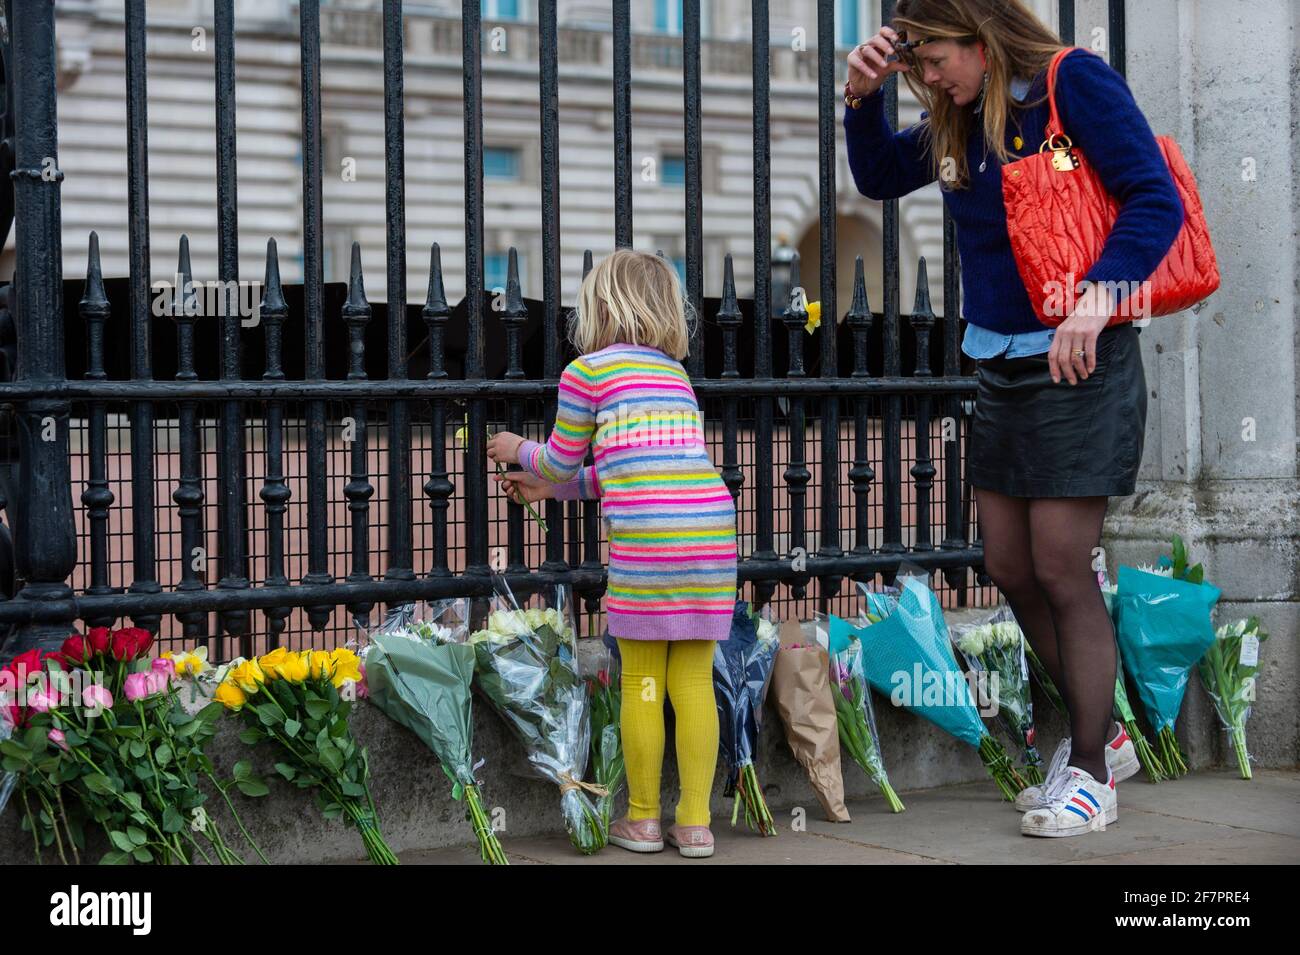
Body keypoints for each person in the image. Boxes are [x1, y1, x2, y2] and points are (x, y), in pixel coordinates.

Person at [844, 0, 1183, 838]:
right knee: (1011, 562)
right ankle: (1100, 731)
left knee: (1064, 563)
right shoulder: (961, 116)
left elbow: (1154, 197)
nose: (928, 76)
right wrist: (859, 98)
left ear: (982, 36)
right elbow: (882, 176)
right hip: (999, 360)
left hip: (1079, 358)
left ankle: (1093, 772)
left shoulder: (1073, 86)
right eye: (915, 63)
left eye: (934, 57)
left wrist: (1097, 299)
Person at [487, 248, 738, 858]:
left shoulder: (587, 373)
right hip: (708, 533)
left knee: (644, 683)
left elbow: (560, 458)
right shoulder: (672, 374)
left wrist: (519, 451)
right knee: (695, 682)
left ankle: (645, 819)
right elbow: (625, 471)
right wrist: (556, 489)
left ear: (599, 306)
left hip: (649, 547)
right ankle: (698, 824)